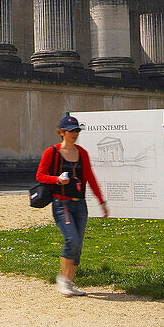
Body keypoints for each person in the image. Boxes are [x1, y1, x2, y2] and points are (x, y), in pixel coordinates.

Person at [35, 115, 108, 296]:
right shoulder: (51, 152)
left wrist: (101, 201)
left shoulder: (82, 153)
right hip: (62, 203)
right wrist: (57, 180)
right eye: (71, 131)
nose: (74, 134)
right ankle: (62, 279)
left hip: (80, 204)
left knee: (78, 244)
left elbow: (90, 177)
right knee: (72, 240)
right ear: (61, 132)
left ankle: (69, 282)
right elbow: (40, 176)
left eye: (77, 131)